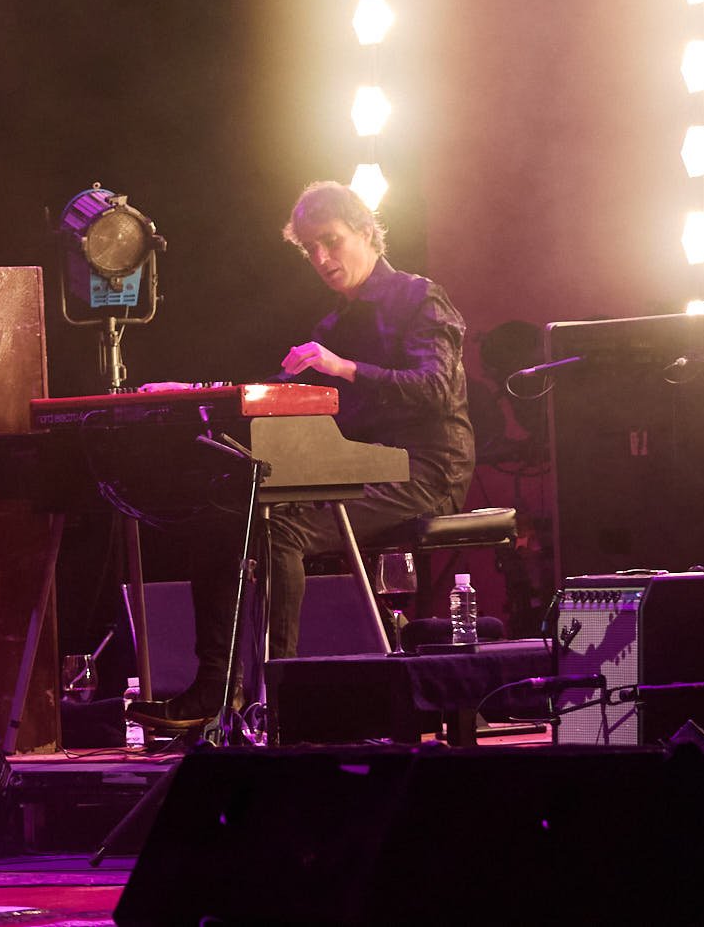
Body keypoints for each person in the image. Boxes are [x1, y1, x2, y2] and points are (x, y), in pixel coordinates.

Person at [132, 180, 474, 729]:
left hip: (427, 471)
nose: (321, 258)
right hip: (354, 467)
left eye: (331, 241)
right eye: (310, 248)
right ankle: (215, 692)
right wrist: (192, 392)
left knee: (279, 532)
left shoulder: (420, 298)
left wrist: (343, 367)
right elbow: (279, 394)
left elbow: (434, 388)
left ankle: (280, 701)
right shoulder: (334, 325)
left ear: (367, 232)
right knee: (223, 520)